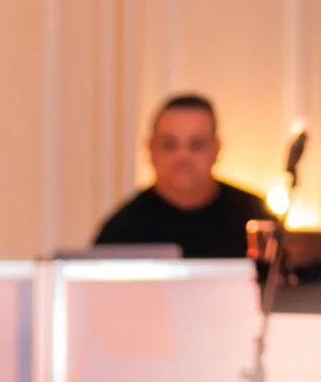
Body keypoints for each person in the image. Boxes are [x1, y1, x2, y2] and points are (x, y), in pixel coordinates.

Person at [93, 95, 267, 259]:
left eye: (196, 144)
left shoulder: (258, 221)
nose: (183, 157)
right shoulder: (119, 233)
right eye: (169, 144)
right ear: (150, 148)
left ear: (217, 148)